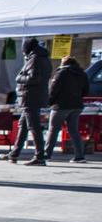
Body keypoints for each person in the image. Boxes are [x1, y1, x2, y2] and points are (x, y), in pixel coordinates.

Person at [8, 36, 51, 164]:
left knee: (34, 126)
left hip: (30, 97)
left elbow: (34, 78)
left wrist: (19, 78)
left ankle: (40, 156)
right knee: (23, 125)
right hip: (34, 96)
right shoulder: (43, 58)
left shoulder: (35, 59)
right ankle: (14, 153)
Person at [46, 54, 90, 162]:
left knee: (53, 130)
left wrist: (49, 102)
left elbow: (53, 90)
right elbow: (86, 91)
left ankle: (47, 155)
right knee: (74, 131)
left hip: (61, 106)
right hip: (77, 106)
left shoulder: (61, 73)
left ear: (64, 63)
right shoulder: (83, 74)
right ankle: (79, 156)